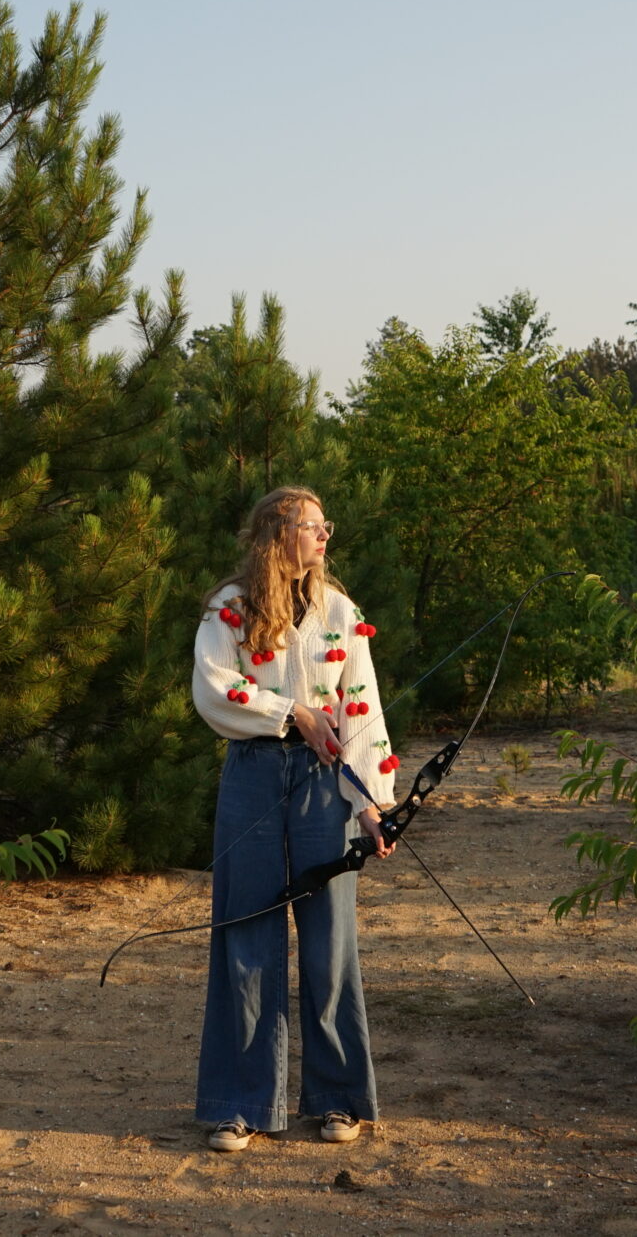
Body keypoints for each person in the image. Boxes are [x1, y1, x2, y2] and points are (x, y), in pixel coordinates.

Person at [190, 486, 397, 1153]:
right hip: (252, 773)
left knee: (328, 937)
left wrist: (370, 803)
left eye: (324, 525)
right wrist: (292, 713)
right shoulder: (231, 608)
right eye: (312, 526)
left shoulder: (340, 610)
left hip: (323, 785)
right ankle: (239, 1103)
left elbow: (359, 708)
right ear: (278, 535)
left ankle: (338, 1098)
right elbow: (215, 687)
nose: (323, 536)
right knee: (246, 931)